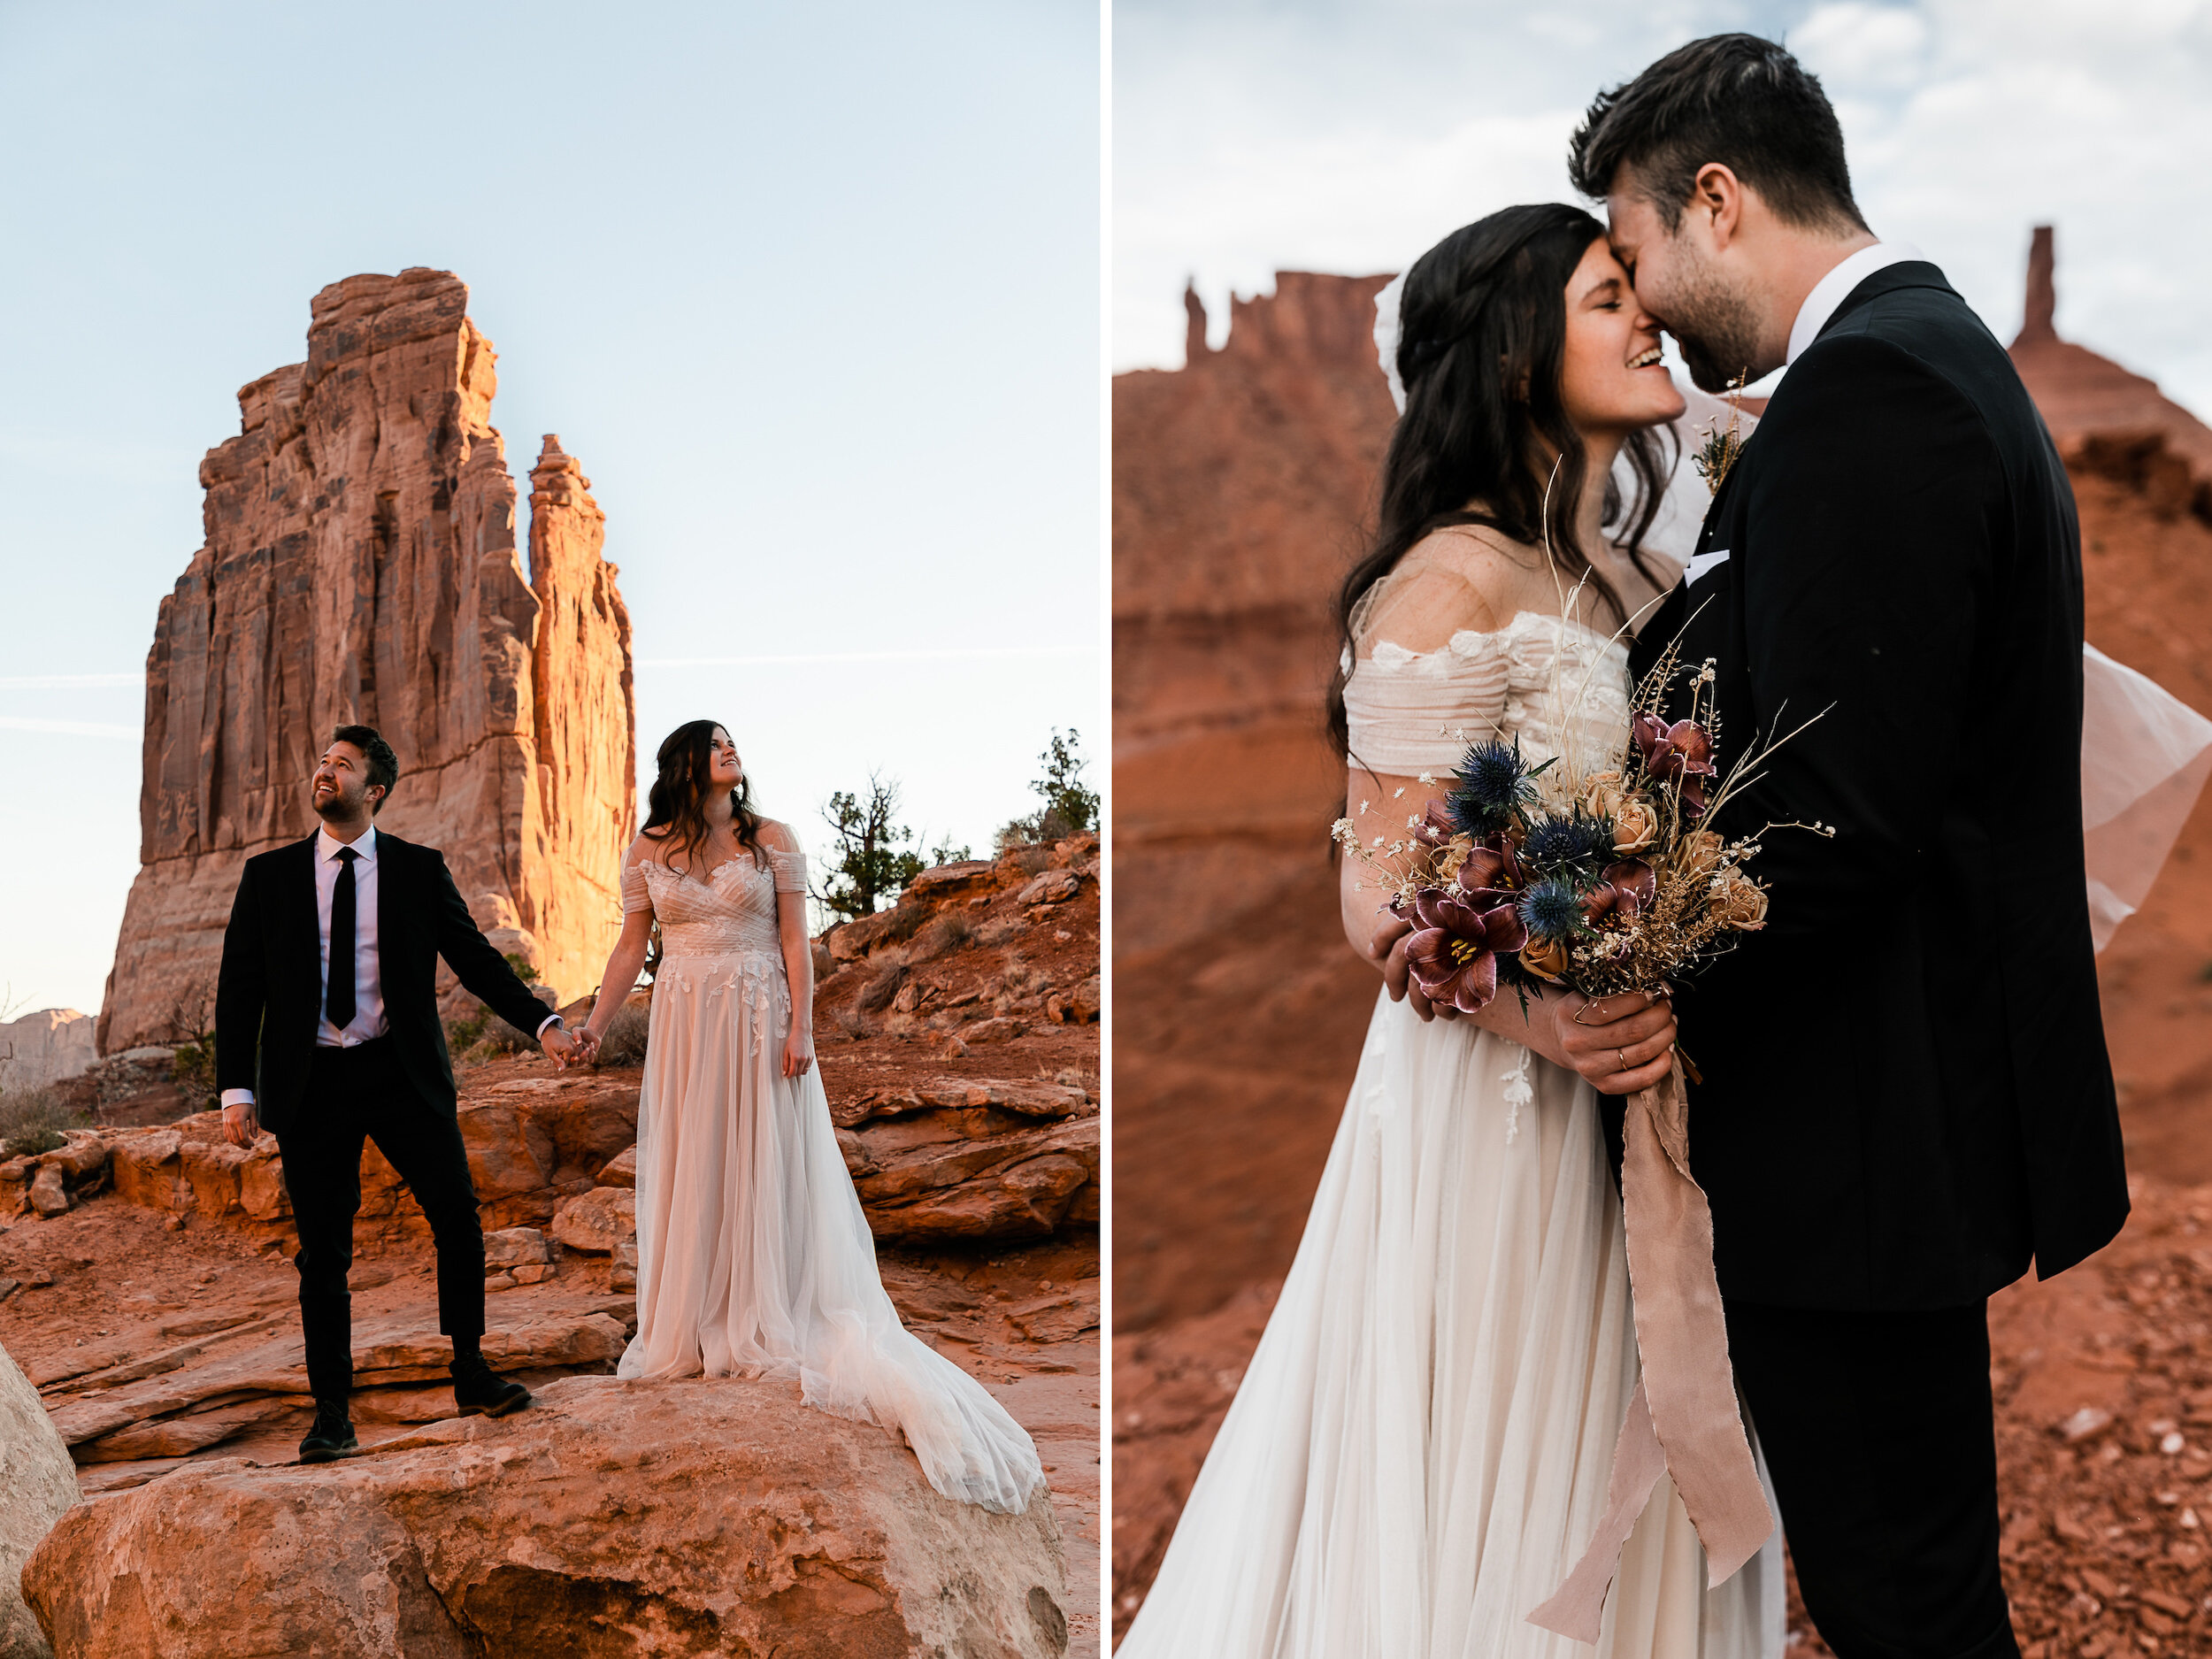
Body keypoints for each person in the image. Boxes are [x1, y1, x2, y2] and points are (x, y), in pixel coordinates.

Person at [1118, 202, 1785, 1658]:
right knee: (1506, 1473)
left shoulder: (1609, 573)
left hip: (1628, 1094)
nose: (1646, 320)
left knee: (1633, 1439)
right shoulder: (1449, 579)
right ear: (1515, 354)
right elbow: (1375, 888)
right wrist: (1544, 1015)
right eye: (1610, 299)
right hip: (1501, 1107)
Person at [1567, 35, 2130, 1658]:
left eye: (1641, 244)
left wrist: (1613, 948)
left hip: (1860, 1135)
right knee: (1913, 1583)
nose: (1649, 298)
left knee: (1911, 1608)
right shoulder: (1931, 357)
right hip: (1901, 1116)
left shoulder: (1874, 390)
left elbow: (1828, 822)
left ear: (1719, 201)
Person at [571, 720, 1046, 1513]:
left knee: (763, 1162)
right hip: (686, 1020)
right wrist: (592, 1022)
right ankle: (693, 1327)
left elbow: (797, 943)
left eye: (732, 742)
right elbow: (631, 948)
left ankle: (768, 1313)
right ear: (685, 763)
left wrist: (802, 1028)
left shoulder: (772, 838)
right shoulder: (648, 847)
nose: (731, 749)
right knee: (699, 1160)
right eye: (714, 743)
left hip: (758, 1015)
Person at [215, 725, 583, 1463]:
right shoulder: (270, 876)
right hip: (311, 1081)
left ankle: (471, 1371)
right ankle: (331, 1415)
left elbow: (475, 958)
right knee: (323, 1251)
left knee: (456, 1215)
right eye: (322, 760)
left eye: (342, 766)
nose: (325, 772)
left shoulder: (418, 869)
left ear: (373, 790)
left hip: (399, 1072)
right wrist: (236, 1089)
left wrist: (541, 1022)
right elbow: (239, 989)